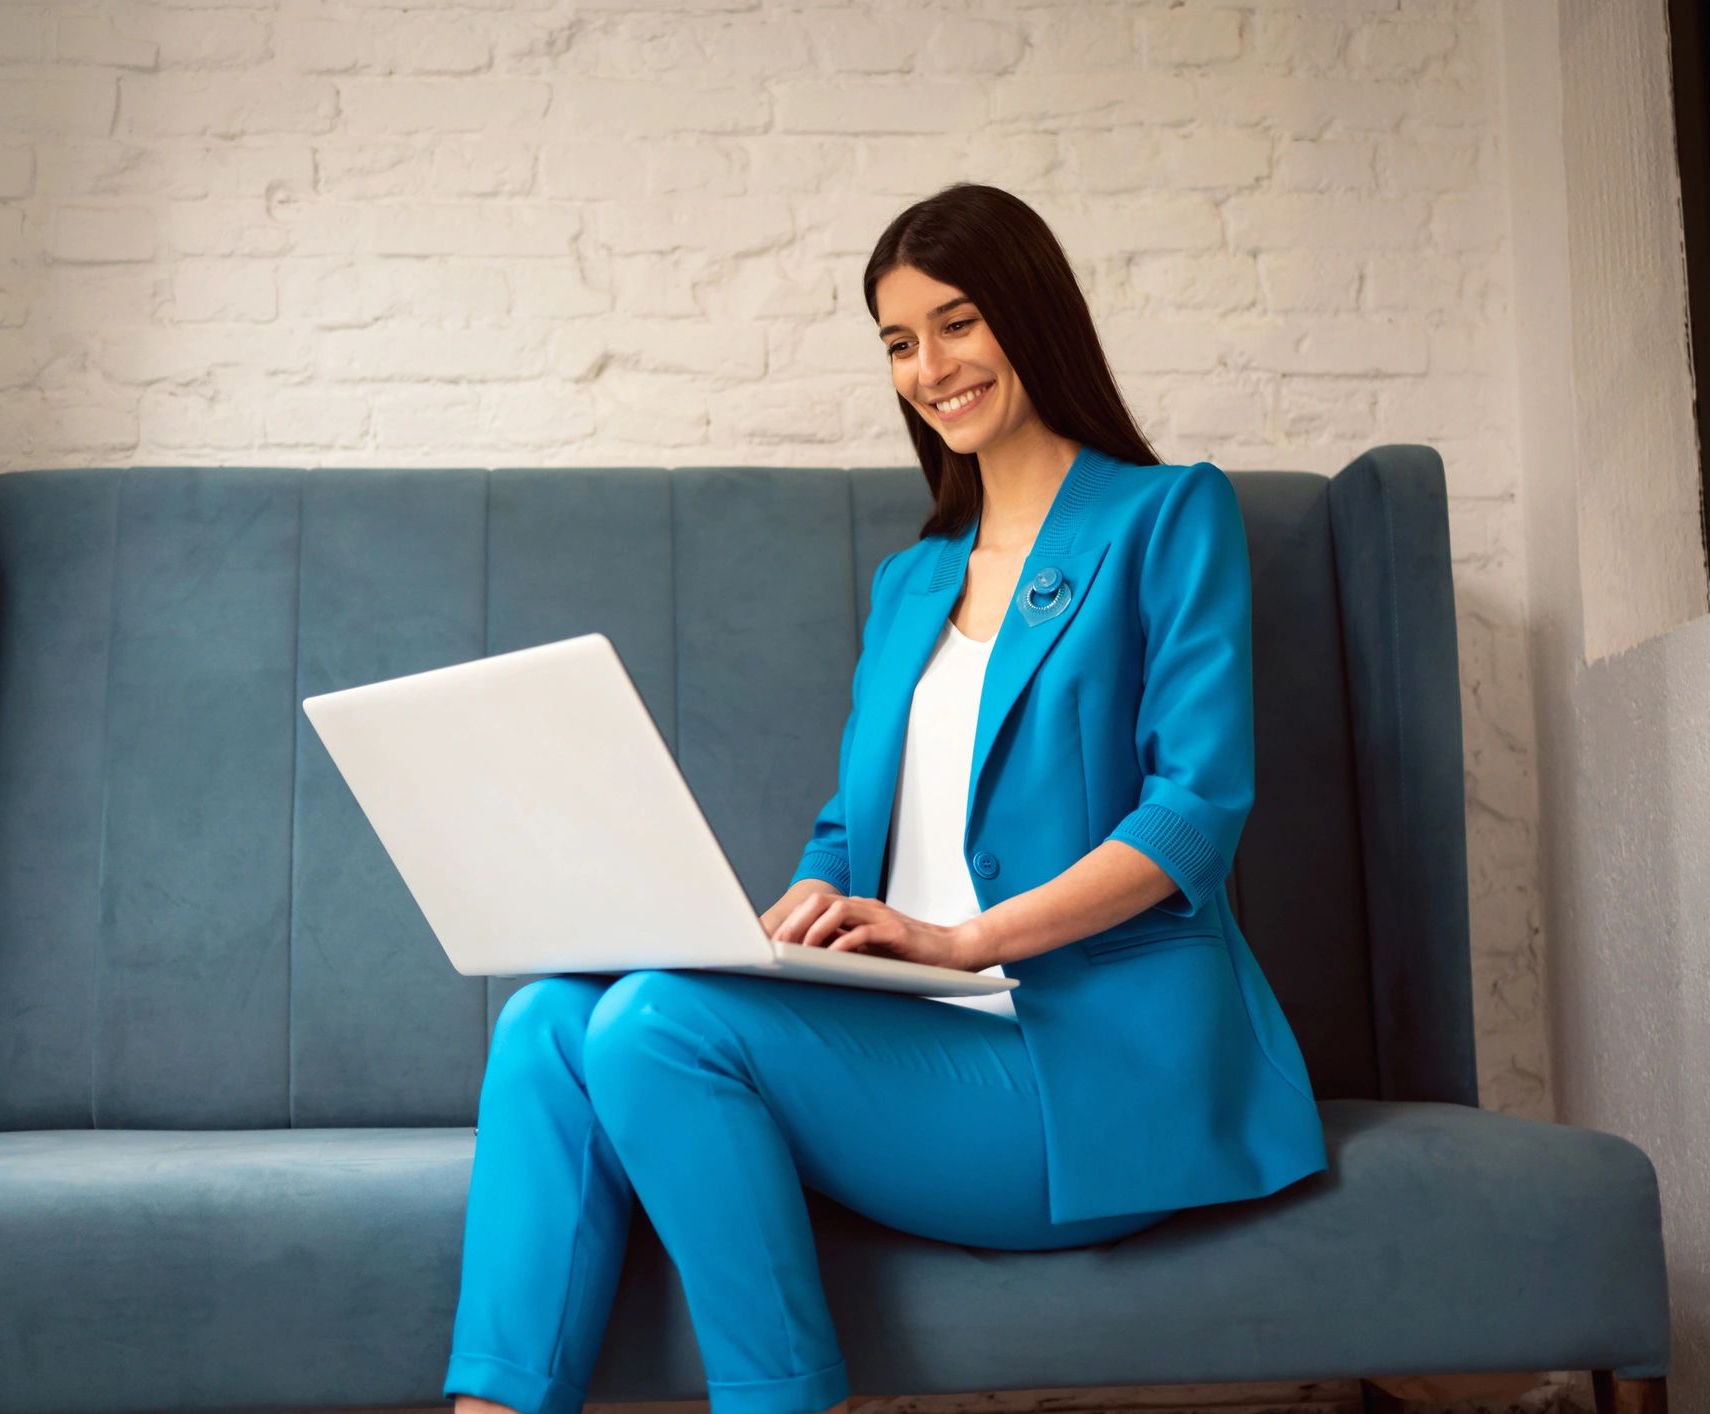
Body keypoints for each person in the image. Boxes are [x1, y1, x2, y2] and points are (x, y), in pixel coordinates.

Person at [444, 183, 1329, 1414]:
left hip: (1079, 1065)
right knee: (543, 1021)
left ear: (1030, 313)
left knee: (655, 1024)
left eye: (955, 322)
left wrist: (965, 940)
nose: (929, 367)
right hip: (904, 1025)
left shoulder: (1166, 515)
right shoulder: (912, 582)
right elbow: (859, 825)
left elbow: (1193, 812)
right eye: (898, 342)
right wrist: (804, 899)